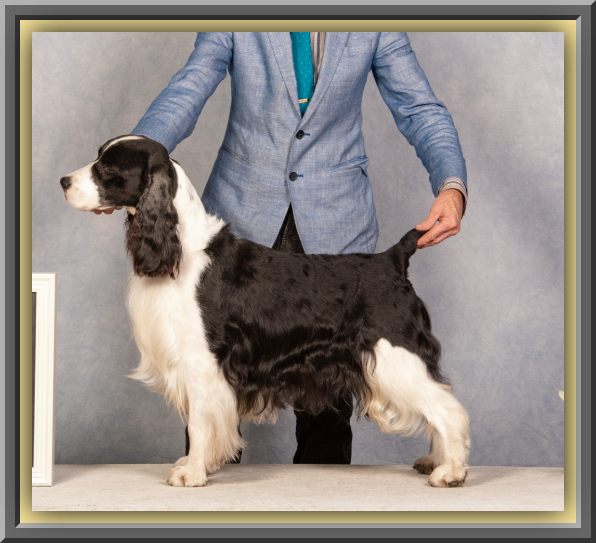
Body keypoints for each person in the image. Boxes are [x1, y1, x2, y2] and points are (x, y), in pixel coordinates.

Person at [105, 32, 468, 464]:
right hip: (242, 228)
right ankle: (208, 483)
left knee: (330, 405)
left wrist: (451, 185)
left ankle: (323, 502)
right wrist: (130, 170)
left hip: (336, 228)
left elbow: (419, 108)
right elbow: (189, 87)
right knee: (209, 370)